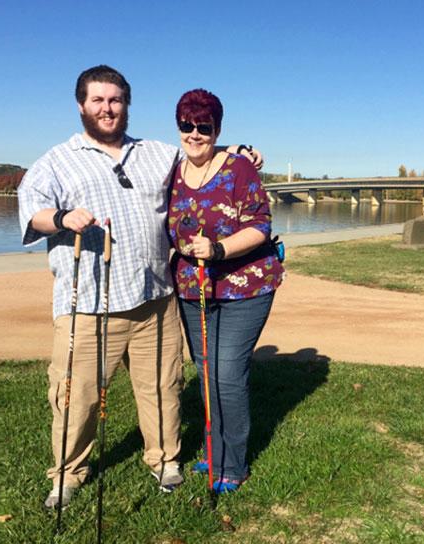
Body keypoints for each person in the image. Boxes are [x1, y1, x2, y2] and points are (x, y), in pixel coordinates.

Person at [17, 66, 261, 508]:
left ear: (126, 104)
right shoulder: (56, 160)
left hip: (156, 299)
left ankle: (165, 459)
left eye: (115, 100)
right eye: (98, 100)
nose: (107, 109)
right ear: (81, 105)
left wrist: (237, 150)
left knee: (163, 387)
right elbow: (32, 210)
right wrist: (60, 218)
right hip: (90, 305)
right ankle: (68, 473)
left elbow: (200, 152)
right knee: (78, 396)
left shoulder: (156, 153)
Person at [166, 89, 284, 494]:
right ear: (178, 125)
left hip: (245, 285)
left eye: (204, 127)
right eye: (187, 125)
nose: (194, 134)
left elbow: (259, 224)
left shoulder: (239, 170)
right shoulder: (172, 170)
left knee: (228, 374)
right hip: (192, 287)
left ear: (216, 129)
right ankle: (213, 453)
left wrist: (217, 250)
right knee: (206, 372)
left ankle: (234, 463)